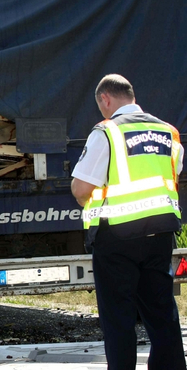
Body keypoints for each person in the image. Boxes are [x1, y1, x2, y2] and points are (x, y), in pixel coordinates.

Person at [71, 74, 186, 370]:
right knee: (162, 315)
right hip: (160, 234)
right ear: (131, 96)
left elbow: (82, 189)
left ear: (105, 99)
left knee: (119, 319)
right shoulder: (169, 132)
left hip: (117, 238)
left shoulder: (107, 132)